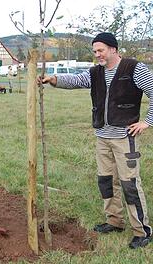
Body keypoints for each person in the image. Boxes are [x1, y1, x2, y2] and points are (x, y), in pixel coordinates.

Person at [40, 32, 153, 249]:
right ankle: (115, 221)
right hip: (102, 137)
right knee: (106, 181)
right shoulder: (96, 72)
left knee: (129, 184)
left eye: (100, 50)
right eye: (94, 51)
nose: (97, 55)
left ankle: (142, 231)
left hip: (124, 138)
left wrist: (147, 122)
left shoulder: (134, 69)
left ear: (113, 49)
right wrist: (53, 79)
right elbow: (76, 80)